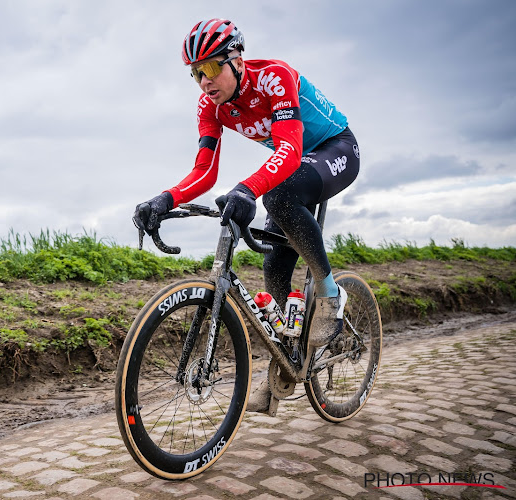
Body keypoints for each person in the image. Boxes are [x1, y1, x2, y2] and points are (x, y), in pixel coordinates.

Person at [133, 18, 360, 388]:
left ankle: (331, 294)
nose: (204, 82)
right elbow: (204, 171)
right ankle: (292, 366)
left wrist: (247, 189)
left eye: (209, 68)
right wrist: (163, 199)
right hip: (295, 163)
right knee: (274, 265)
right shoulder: (211, 107)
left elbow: (290, 150)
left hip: (335, 149)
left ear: (236, 60)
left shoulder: (274, 77)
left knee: (278, 196)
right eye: (195, 73)